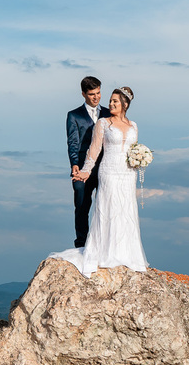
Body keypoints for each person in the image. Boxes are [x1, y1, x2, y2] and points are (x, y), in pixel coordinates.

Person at [50, 86, 149, 277]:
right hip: (109, 171)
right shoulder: (103, 123)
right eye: (110, 101)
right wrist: (85, 171)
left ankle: (127, 253)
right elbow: (94, 150)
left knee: (126, 209)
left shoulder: (134, 125)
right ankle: (104, 253)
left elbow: (133, 149)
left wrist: (140, 158)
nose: (110, 103)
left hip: (128, 174)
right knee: (108, 208)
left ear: (125, 104)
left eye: (115, 101)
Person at [66, 76, 108, 248]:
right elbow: (73, 142)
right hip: (82, 167)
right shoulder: (74, 115)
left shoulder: (108, 113)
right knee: (82, 205)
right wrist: (75, 164)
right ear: (83, 94)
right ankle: (81, 244)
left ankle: (104, 243)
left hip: (105, 166)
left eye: (98, 93)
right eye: (91, 94)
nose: (96, 97)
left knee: (106, 206)